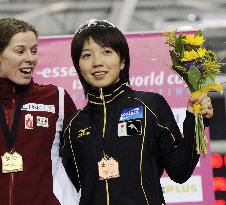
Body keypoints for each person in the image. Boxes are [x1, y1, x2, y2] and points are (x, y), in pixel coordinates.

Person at [62, 19, 213, 205]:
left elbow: (180, 171)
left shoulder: (150, 105)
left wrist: (194, 119)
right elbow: (66, 189)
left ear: (123, 61)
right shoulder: (73, 125)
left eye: (107, 52)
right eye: (86, 55)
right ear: (78, 66)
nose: (97, 62)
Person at [0, 17, 79, 205]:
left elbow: (79, 158)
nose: (30, 58)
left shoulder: (55, 97)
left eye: (34, 51)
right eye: (20, 51)